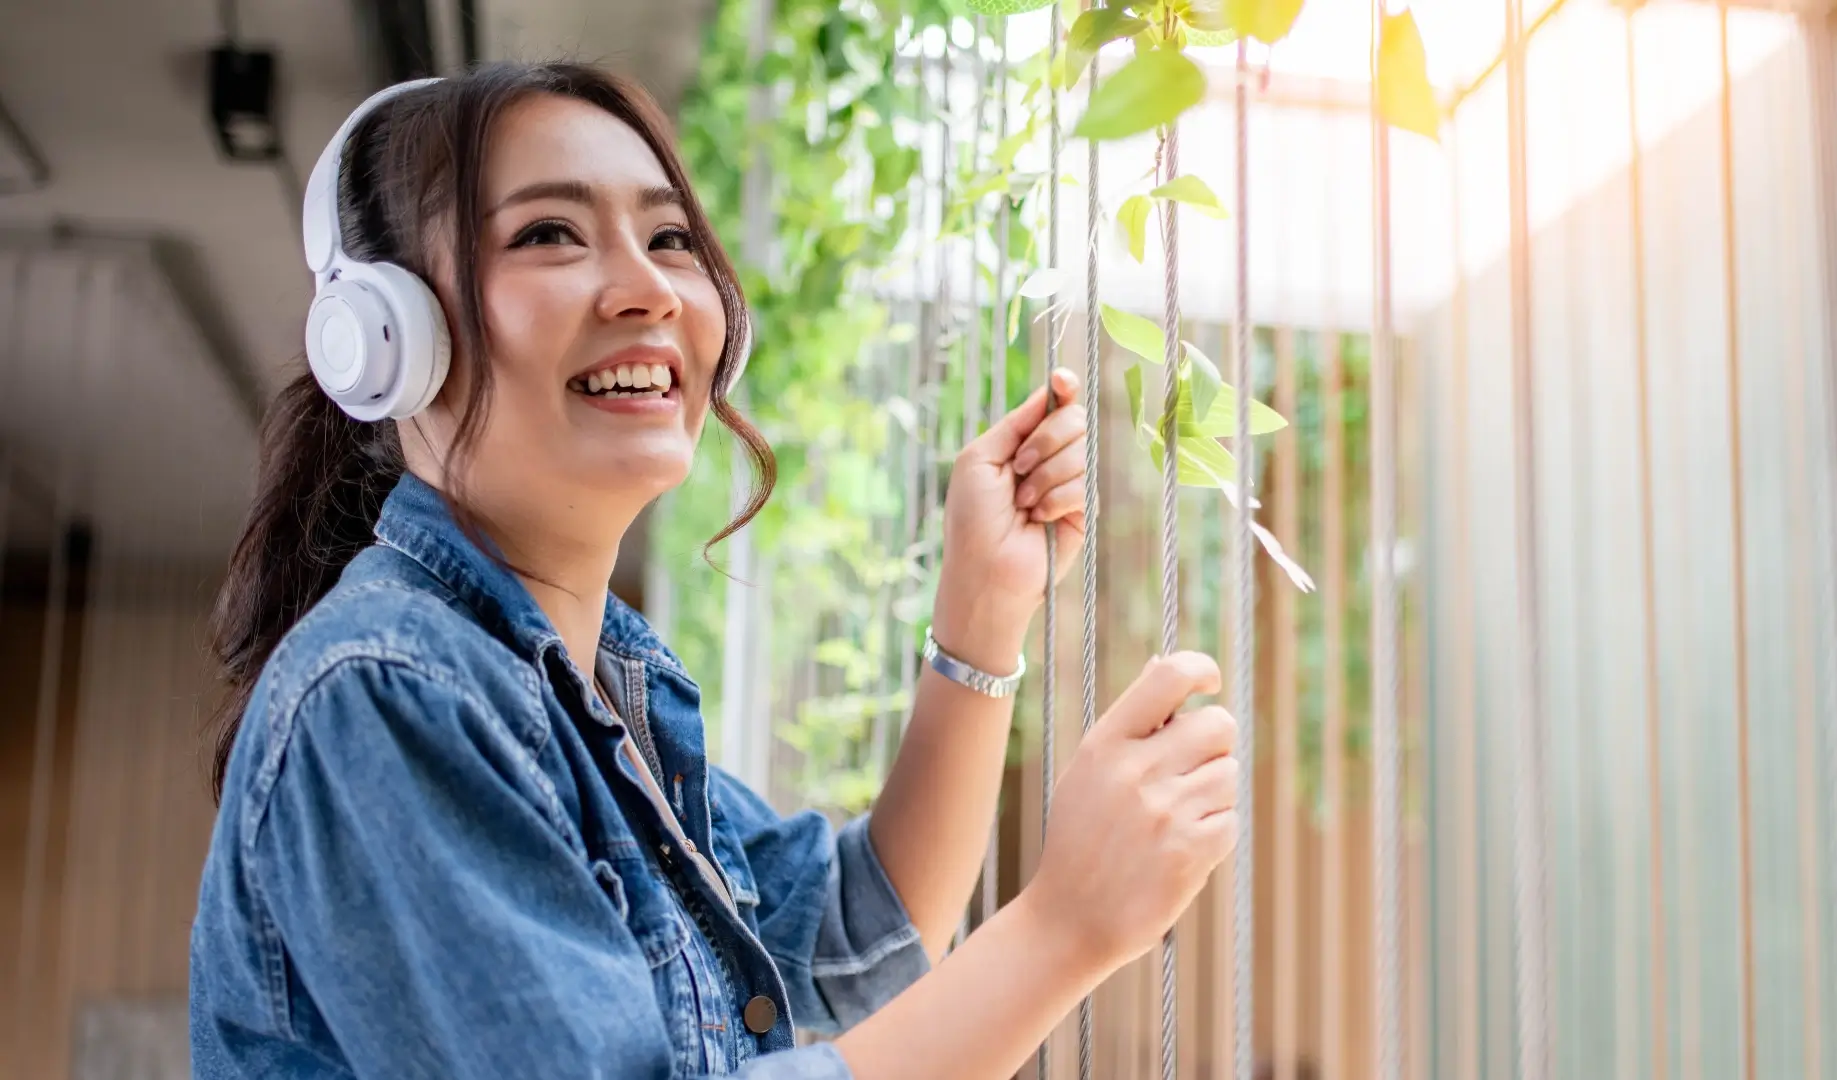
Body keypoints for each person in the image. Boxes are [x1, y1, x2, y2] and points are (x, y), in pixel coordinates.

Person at [189, 62, 1239, 1080]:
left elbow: (849, 947)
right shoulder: (387, 689)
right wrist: (1063, 928)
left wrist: (982, 615)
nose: (646, 288)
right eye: (549, 233)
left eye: (670, 238)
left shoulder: (602, 688)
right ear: (386, 338)